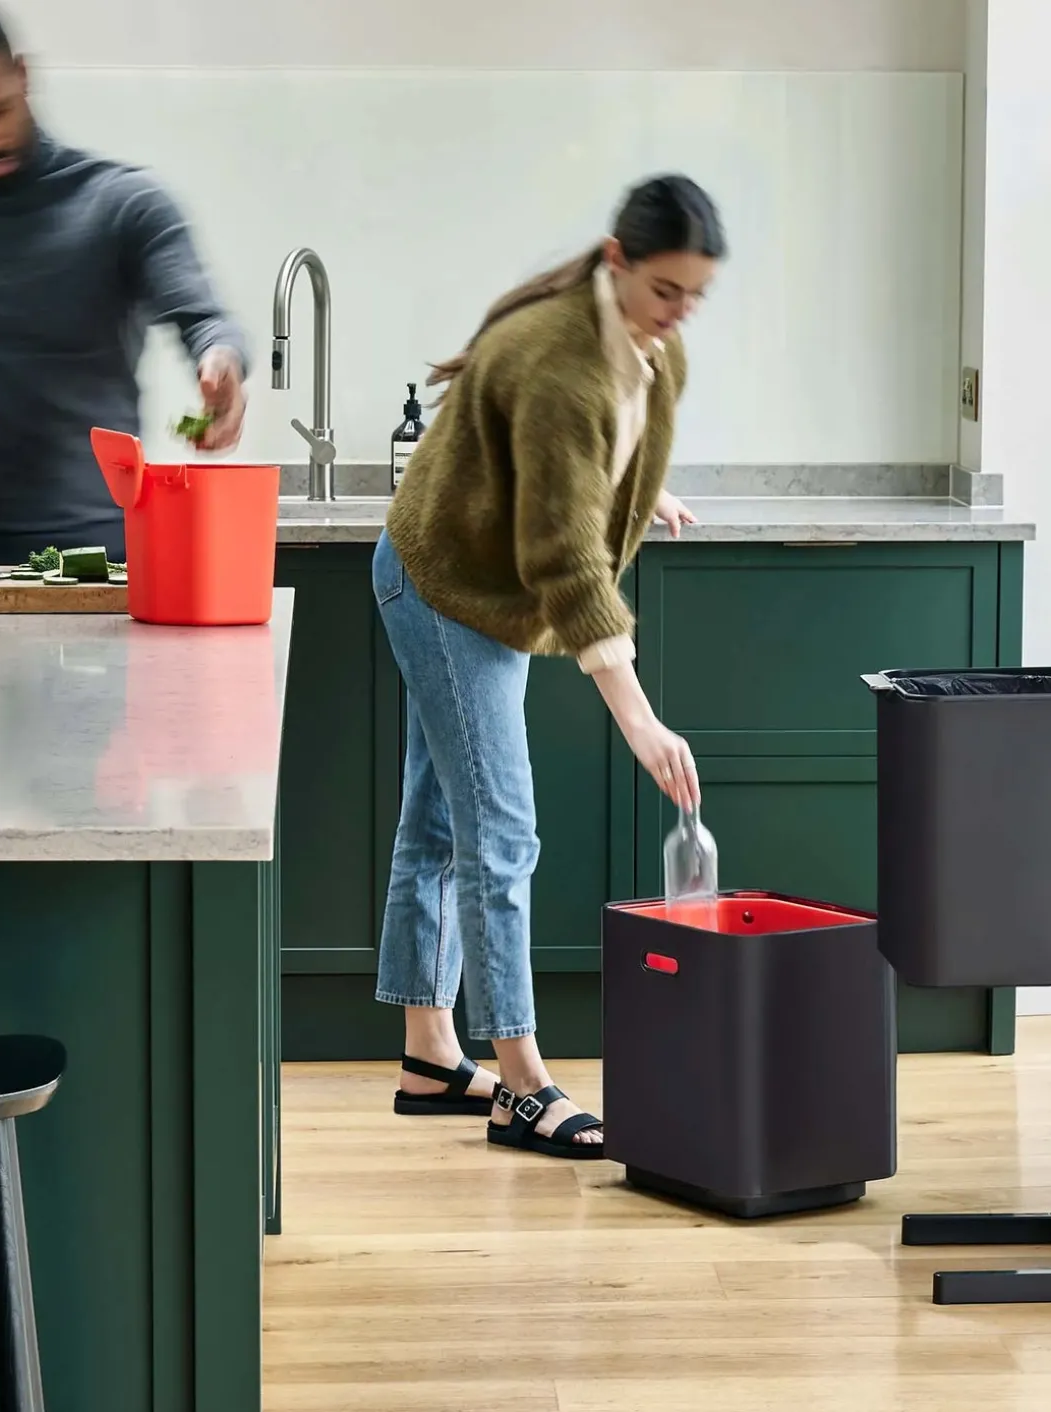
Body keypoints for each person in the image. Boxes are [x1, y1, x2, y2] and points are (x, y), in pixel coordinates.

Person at [375, 175, 726, 1160]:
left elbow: (602, 452)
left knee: (443, 819)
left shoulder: (650, 343)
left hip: (482, 583)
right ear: (618, 262)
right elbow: (564, 561)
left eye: (696, 294)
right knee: (501, 831)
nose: (680, 311)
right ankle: (522, 1086)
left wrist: (636, 495)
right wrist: (640, 719)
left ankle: (429, 1056)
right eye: (666, 289)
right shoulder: (556, 359)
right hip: (447, 587)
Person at [0, 0, 248, 569]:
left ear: (22, 75)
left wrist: (222, 361)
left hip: (109, 569)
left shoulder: (123, 205)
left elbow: (206, 322)